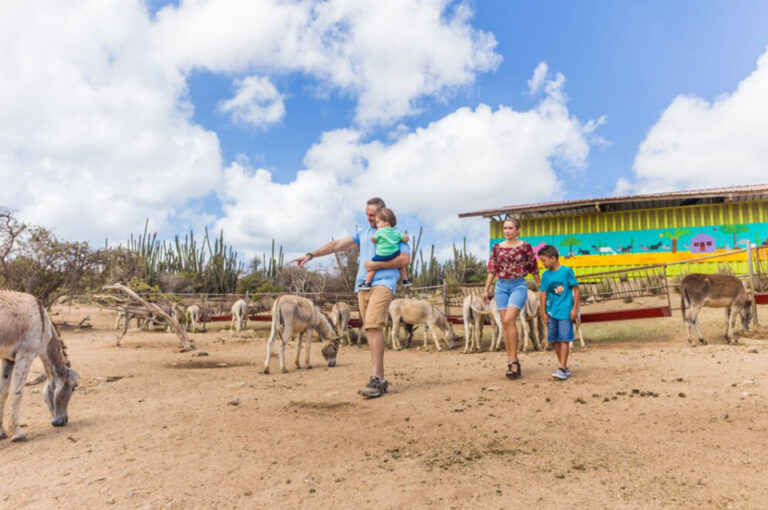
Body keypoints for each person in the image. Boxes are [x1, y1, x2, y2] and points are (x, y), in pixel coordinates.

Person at [291, 197, 410, 398]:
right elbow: (337, 244)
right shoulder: (363, 234)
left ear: (383, 213)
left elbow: (404, 259)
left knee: (373, 326)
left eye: (372, 215)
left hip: (383, 284)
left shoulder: (395, 233)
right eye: (367, 214)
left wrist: (375, 265)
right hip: (363, 287)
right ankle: (379, 378)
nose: (369, 218)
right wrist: (311, 255)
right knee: (370, 329)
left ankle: (377, 379)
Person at [482, 217, 540, 379]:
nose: (507, 231)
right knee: (505, 325)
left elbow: (533, 267)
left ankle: (514, 362)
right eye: (505, 228)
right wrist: (486, 289)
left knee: (509, 320)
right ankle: (511, 361)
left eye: (510, 228)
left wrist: (540, 285)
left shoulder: (525, 246)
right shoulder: (497, 247)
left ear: (518, 230)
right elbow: (492, 270)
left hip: (518, 285)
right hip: (500, 286)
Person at [537, 244, 580, 380]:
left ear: (553, 258)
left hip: (565, 312)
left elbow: (576, 290)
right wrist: (543, 312)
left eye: (544, 260)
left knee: (564, 339)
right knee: (554, 340)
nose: (542, 263)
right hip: (551, 313)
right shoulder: (545, 275)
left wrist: (574, 309)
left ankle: (562, 367)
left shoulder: (567, 271)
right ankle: (564, 367)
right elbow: (543, 294)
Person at [360, 207, 412, 289]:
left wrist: (375, 234)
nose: (377, 224)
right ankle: (405, 280)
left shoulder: (380, 231)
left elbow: (373, 240)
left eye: (378, 222)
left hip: (381, 255)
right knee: (401, 267)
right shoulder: (396, 232)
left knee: (371, 267)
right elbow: (406, 239)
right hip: (394, 254)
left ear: (386, 221)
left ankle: (367, 283)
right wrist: (404, 237)